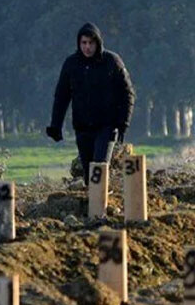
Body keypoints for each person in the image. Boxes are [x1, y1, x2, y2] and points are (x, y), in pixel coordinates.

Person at [48, 22, 136, 184]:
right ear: (79, 43)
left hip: (106, 127)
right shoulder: (71, 64)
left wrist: (123, 123)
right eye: (84, 43)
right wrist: (56, 125)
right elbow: (61, 96)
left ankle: (101, 206)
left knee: (99, 168)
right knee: (89, 175)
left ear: (98, 42)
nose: (87, 47)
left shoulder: (112, 61)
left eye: (91, 43)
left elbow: (128, 93)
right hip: (82, 127)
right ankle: (93, 206)